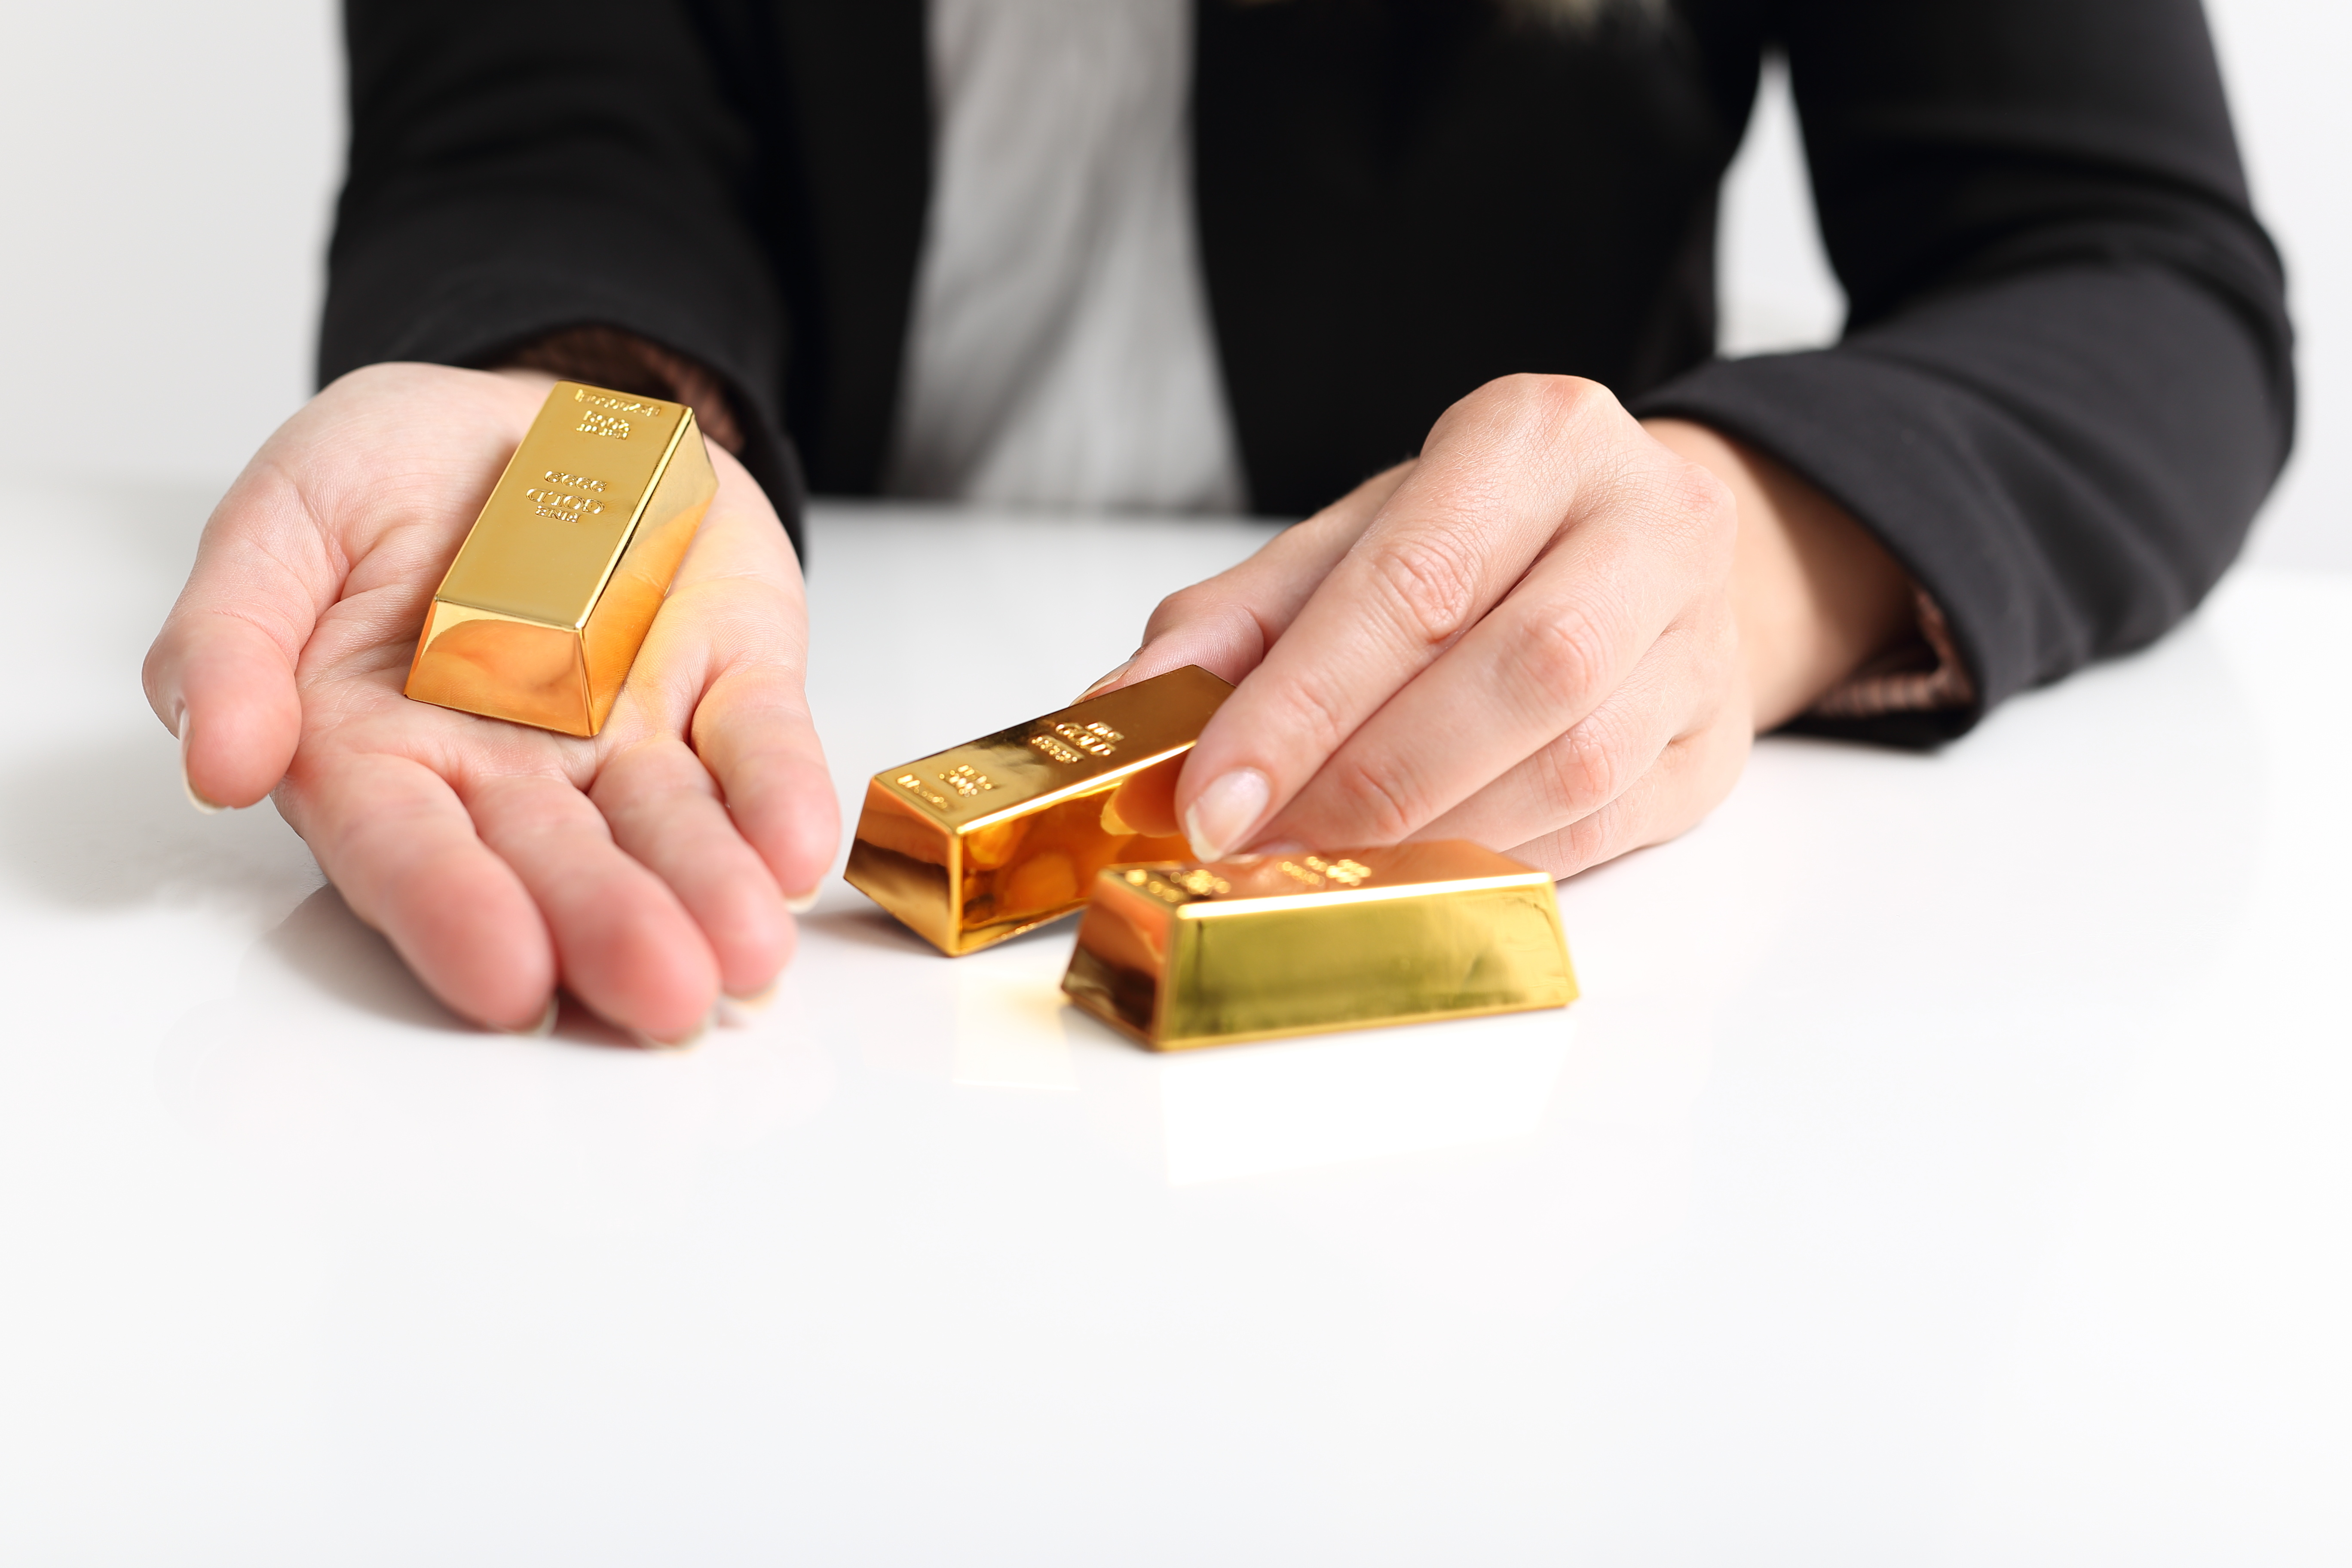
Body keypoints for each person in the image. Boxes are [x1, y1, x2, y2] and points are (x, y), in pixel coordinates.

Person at [143, 0, 2291, 1045]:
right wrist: (584, 425)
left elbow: (2122, 258)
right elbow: (538, 112)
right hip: (800, 746)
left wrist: (1735, 561)